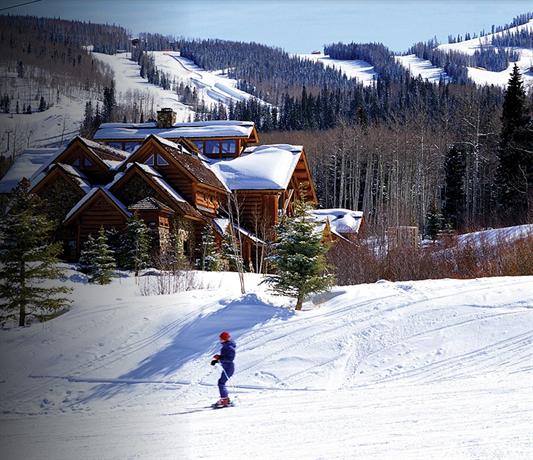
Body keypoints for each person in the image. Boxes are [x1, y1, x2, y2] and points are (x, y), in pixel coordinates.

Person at [211, 331, 236, 407]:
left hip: (229, 368)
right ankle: (226, 399)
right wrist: (217, 359)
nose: (220, 340)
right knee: (221, 382)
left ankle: (224, 400)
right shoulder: (226, 346)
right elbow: (224, 357)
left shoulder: (229, 347)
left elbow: (230, 359)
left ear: (225, 339)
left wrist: (219, 358)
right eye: (220, 339)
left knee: (221, 383)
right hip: (226, 367)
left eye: (221, 339)